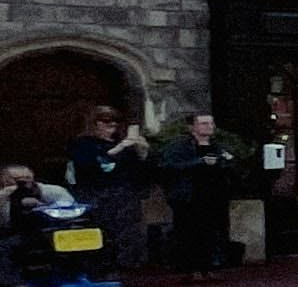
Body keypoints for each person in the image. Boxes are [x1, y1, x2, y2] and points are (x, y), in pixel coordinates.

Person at [66, 108, 150, 272]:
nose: (112, 127)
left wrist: (143, 151)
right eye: (106, 122)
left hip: (124, 193)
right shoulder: (82, 143)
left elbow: (138, 170)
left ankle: (126, 266)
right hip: (95, 193)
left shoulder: (122, 143)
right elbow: (90, 166)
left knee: (129, 233)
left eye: (115, 123)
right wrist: (118, 148)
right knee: (101, 232)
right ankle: (100, 267)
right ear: (95, 124)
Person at [154, 112, 236, 278]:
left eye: (211, 123)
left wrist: (224, 163)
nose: (209, 127)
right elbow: (169, 167)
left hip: (214, 197)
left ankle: (211, 266)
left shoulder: (219, 146)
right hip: (189, 197)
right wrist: (199, 163)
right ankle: (191, 268)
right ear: (193, 127)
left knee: (213, 232)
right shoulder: (179, 147)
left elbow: (231, 165)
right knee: (189, 233)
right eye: (204, 123)